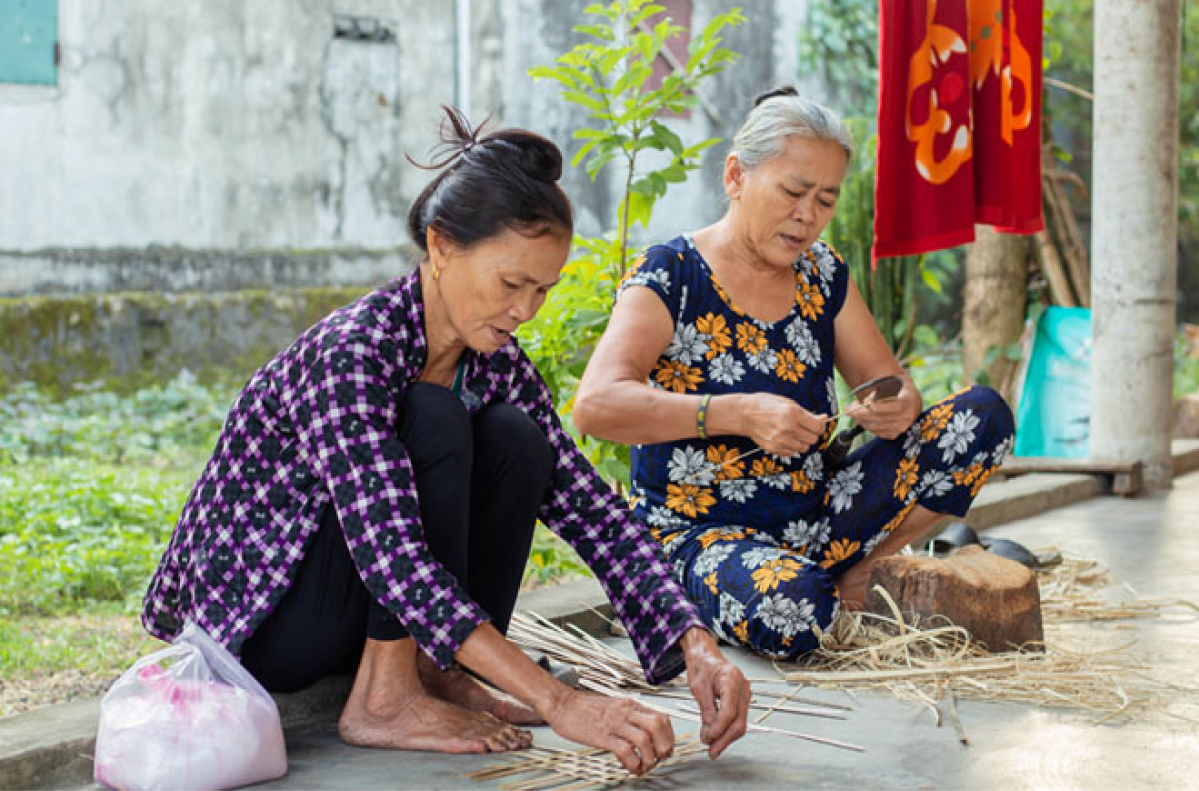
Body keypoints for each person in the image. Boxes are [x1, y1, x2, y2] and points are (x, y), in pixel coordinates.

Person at [142, 106, 749, 774]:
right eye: (510, 282)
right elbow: (392, 555)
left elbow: (589, 508)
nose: (524, 309)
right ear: (440, 247)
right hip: (266, 623)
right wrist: (560, 701)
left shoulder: (495, 361)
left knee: (517, 437)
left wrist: (696, 642)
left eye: (542, 290)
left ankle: (433, 671)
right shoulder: (354, 353)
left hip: (361, 608)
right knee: (431, 415)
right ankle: (384, 695)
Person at [573, 87, 1015, 661]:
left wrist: (895, 403)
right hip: (698, 535)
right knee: (798, 611)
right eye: (793, 191)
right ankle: (815, 593)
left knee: (983, 419)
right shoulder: (672, 275)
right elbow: (596, 405)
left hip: (816, 517)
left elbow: (890, 383)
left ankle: (862, 577)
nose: (807, 215)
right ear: (736, 176)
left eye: (826, 199)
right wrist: (739, 413)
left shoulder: (823, 273)